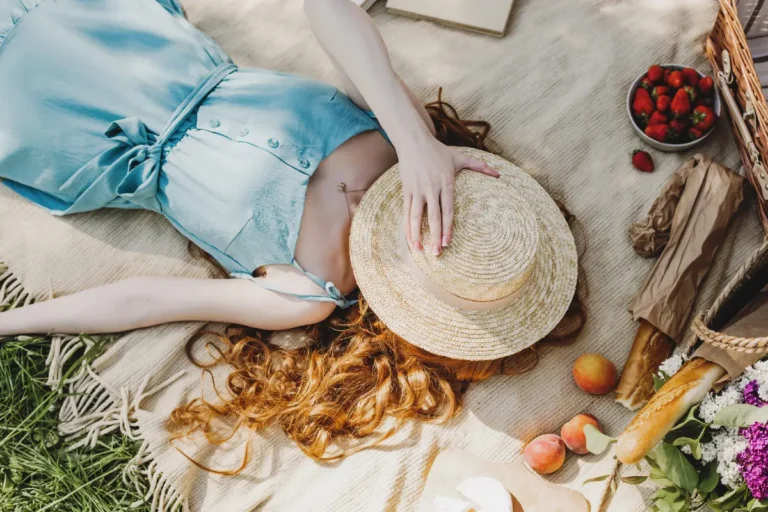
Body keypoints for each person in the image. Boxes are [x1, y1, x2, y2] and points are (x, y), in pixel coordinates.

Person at [0, 0, 584, 483]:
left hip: (75, 132)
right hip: (141, 46)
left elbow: (145, 300)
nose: (439, 236)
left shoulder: (307, 293)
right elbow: (327, 8)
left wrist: (9, 324)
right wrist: (416, 140)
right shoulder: (403, 139)